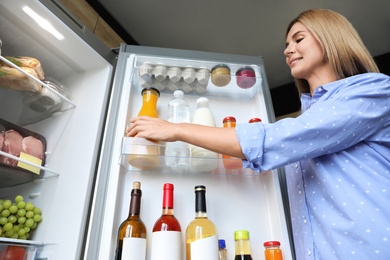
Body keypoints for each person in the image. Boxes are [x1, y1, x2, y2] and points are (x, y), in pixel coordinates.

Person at [127, 9, 390, 260]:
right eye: (286, 45)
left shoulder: (373, 91)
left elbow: (272, 140)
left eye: (298, 39)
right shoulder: (308, 121)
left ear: (332, 37)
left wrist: (175, 129)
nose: (287, 50)